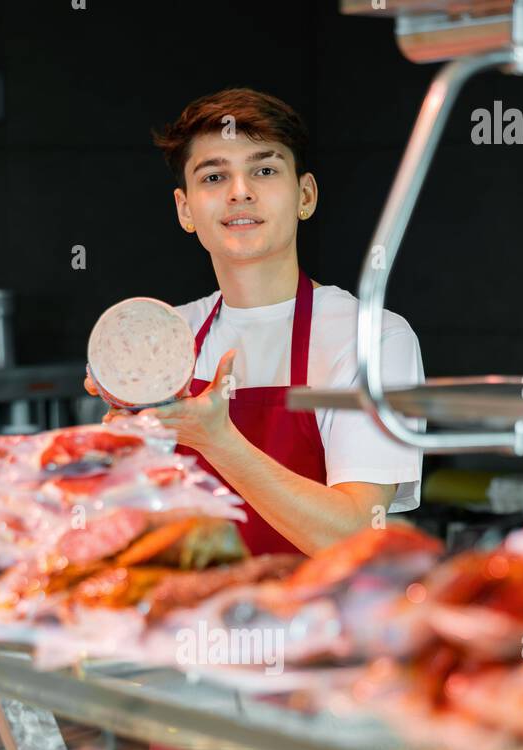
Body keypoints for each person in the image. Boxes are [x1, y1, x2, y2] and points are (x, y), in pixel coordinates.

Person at [87, 86, 423, 557]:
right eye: (213, 177)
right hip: (186, 618)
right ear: (186, 210)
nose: (239, 192)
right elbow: (130, 521)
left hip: (318, 621)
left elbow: (353, 536)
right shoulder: (166, 338)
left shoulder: (374, 339)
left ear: (305, 195)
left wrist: (217, 441)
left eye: (264, 171)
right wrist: (116, 451)